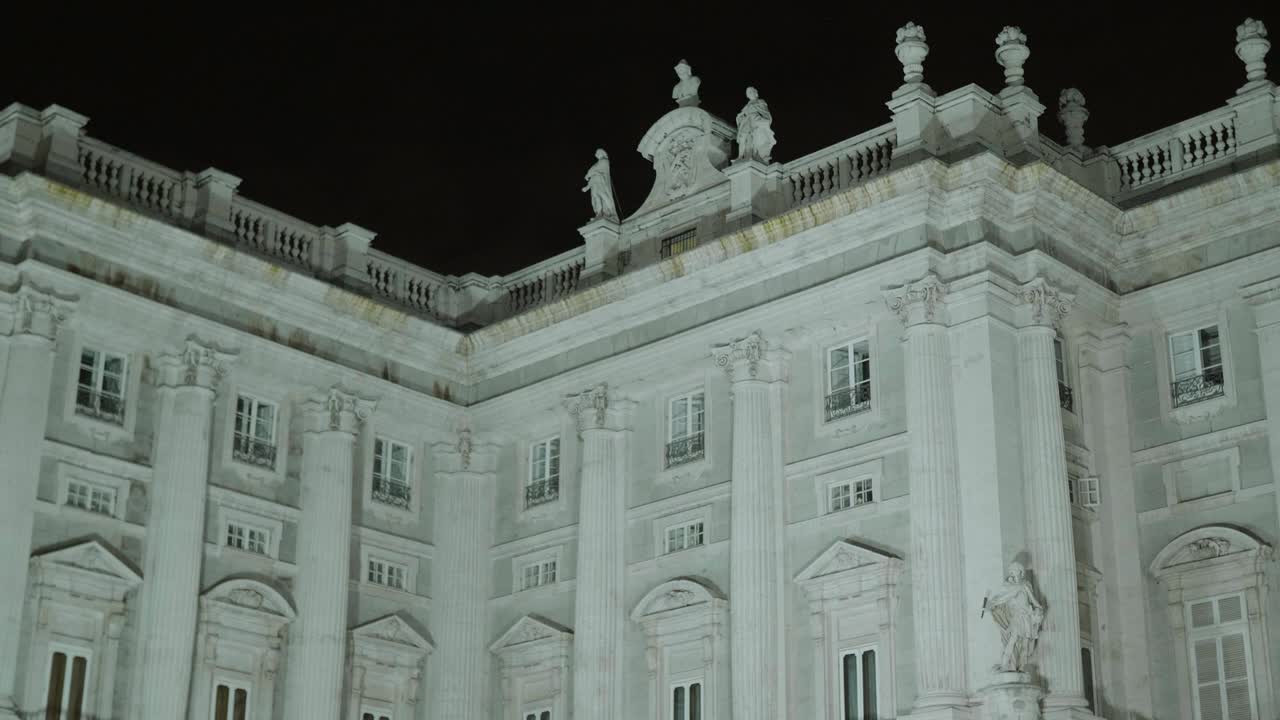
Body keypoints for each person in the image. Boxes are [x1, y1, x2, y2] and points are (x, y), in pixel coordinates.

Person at [982, 562, 1045, 673]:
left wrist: (1038, 609)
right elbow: (1000, 598)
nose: (1011, 572)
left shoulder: (1026, 585)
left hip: (1026, 617)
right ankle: (1004, 664)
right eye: (1010, 570)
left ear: (1020, 572)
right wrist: (990, 605)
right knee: (1013, 639)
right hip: (1016, 617)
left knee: (1025, 643)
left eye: (1014, 570)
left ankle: (1021, 667)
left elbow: (1033, 601)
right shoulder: (1008, 586)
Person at [736, 86, 777, 162]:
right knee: (742, 138)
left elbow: (765, 112)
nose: (749, 93)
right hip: (746, 122)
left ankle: (755, 154)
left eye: (751, 91)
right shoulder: (746, 106)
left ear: (755, 93)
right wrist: (740, 116)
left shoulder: (760, 101)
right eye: (748, 92)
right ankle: (740, 156)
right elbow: (742, 114)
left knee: (755, 137)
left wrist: (757, 117)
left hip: (756, 120)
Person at [582, 149, 619, 221]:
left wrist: (589, 174)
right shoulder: (597, 163)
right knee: (596, 197)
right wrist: (589, 175)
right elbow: (592, 171)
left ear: (602, 153)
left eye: (598, 152)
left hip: (601, 182)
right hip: (594, 183)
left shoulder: (604, 160)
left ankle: (611, 212)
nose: (596, 154)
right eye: (596, 153)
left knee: (604, 196)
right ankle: (599, 213)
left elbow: (595, 170)